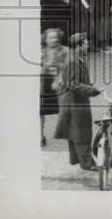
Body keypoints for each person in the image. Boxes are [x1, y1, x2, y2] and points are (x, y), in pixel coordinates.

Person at [54, 33, 102, 171]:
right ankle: (87, 163)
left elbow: (76, 81)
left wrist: (88, 83)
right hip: (75, 102)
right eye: (86, 44)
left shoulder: (78, 58)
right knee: (82, 133)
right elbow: (73, 85)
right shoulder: (73, 61)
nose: (88, 46)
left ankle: (75, 159)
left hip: (75, 101)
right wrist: (93, 90)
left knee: (74, 132)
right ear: (78, 46)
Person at [40, 28, 68, 149]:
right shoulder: (41, 51)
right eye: (51, 37)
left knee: (64, 109)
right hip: (43, 84)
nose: (54, 39)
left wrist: (60, 78)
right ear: (45, 39)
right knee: (39, 111)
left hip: (58, 83)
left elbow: (67, 67)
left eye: (55, 37)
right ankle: (40, 136)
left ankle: (66, 131)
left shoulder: (65, 50)